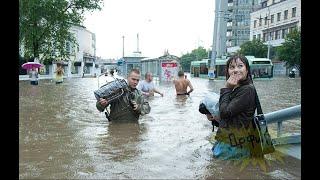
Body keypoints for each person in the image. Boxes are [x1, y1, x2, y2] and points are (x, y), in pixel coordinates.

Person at [213, 54, 257, 160]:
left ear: (247, 70)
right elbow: (230, 116)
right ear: (228, 71)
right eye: (232, 67)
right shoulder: (237, 89)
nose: (236, 70)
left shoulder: (247, 90)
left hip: (234, 145)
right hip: (229, 141)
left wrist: (226, 88)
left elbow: (225, 112)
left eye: (240, 66)